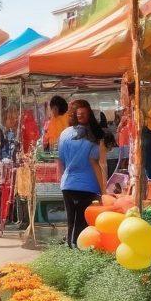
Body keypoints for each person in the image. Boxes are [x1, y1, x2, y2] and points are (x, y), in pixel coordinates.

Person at [57, 99, 106, 249]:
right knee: (83, 222)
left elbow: (61, 161)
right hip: (89, 186)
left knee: (71, 221)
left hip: (68, 184)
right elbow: (97, 164)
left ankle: (70, 250)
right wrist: (104, 190)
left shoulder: (64, 134)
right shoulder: (93, 136)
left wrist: (62, 181)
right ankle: (78, 250)